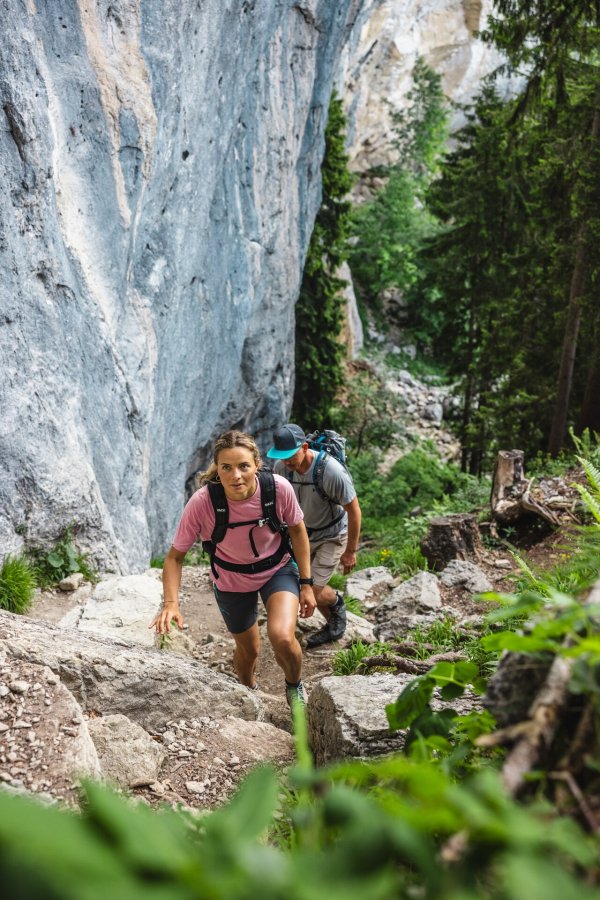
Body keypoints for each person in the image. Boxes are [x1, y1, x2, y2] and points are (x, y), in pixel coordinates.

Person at [150, 430, 316, 707]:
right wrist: (171, 604)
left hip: (277, 570)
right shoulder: (203, 503)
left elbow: (298, 532)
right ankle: (248, 688)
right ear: (218, 468)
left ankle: (294, 686)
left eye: (243, 466)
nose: (235, 475)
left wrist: (307, 584)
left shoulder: (277, 489)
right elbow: (174, 558)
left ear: (256, 466)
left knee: (282, 636)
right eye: (226, 467)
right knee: (249, 650)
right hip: (231, 581)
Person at [267, 424, 361, 648]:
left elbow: (354, 511)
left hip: (333, 534)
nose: (287, 462)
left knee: (313, 592)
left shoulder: (331, 472)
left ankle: (336, 605)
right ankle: (333, 625)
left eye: (290, 456)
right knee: (300, 585)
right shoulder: (281, 468)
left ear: (305, 447)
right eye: (282, 457)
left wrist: (350, 551)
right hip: (300, 536)